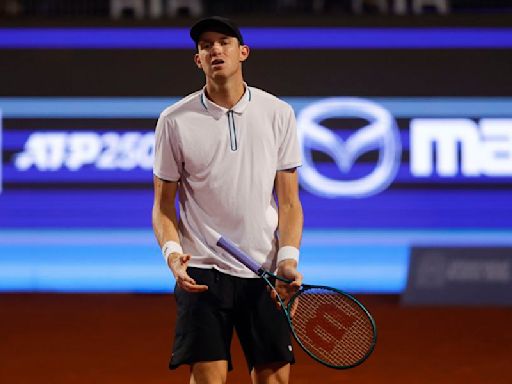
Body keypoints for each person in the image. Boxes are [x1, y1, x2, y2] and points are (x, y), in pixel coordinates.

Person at [152, 16, 303, 384]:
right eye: (206, 45)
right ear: (198, 61)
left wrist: (287, 261)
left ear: (243, 52)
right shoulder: (173, 120)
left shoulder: (278, 113)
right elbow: (162, 206)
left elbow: (289, 203)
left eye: (224, 42)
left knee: (275, 380)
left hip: (263, 271)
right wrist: (173, 256)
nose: (215, 49)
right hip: (202, 270)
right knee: (207, 380)